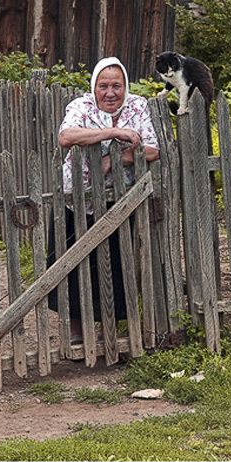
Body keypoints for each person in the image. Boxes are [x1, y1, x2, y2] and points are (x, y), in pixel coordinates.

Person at [49, 57, 160, 344]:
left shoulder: (138, 106)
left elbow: (152, 150)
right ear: (94, 87)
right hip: (77, 197)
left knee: (111, 263)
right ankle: (75, 329)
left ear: (125, 86)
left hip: (118, 201)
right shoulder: (81, 106)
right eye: (103, 86)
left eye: (116, 86)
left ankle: (106, 327)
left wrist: (118, 158)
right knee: (73, 262)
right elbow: (66, 137)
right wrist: (113, 133)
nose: (110, 93)